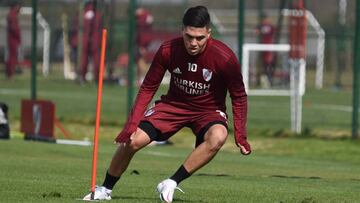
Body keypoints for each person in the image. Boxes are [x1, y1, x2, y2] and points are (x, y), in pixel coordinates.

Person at [83, 5, 251, 202]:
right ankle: (105, 189)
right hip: (173, 106)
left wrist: (240, 134)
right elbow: (148, 87)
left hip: (208, 111)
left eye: (200, 38)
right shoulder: (168, 50)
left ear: (209, 33)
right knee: (133, 140)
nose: (193, 43)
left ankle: (171, 182)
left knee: (219, 136)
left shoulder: (225, 58)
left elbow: (239, 96)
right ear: (182, 31)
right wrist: (131, 125)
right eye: (189, 36)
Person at [71, 0, 103, 84]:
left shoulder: (81, 14)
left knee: (84, 60)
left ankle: (82, 77)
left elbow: (76, 26)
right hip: (93, 40)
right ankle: (97, 78)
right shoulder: (97, 14)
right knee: (95, 60)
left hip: (84, 40)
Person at [256, 15, 276, 87]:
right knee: (263, 65)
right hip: (262, 47)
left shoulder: (270, 26)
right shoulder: (262, 26)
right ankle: (263, 81)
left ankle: (269, 81)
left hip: (268, 48)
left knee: (268, 64)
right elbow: (257, 32)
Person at [6, 2, 21, 79]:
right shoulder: (12, 15)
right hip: (13, 39)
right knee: (12, 57)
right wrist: (18, 36)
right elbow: (14, 28)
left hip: (12, 39)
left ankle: (10, 73)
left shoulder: (12, 15)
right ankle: (10, 75)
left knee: (12, 56)